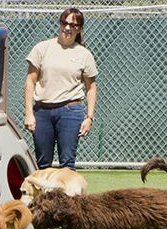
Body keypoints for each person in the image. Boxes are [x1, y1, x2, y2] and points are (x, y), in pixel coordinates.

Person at [23, 7, 98, 170]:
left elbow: (91, 88)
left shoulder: (84, 54)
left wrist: (89, 117)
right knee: (43, 165)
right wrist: (29, 114)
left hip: (70, 112)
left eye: (73, 25)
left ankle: (68, 196)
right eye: (65, 22)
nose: (68, 28)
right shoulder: (42, 48)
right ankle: (44, 196)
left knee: (68, 164)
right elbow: (30, 81)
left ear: (79, 29)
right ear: (60, 24)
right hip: (42, 112)